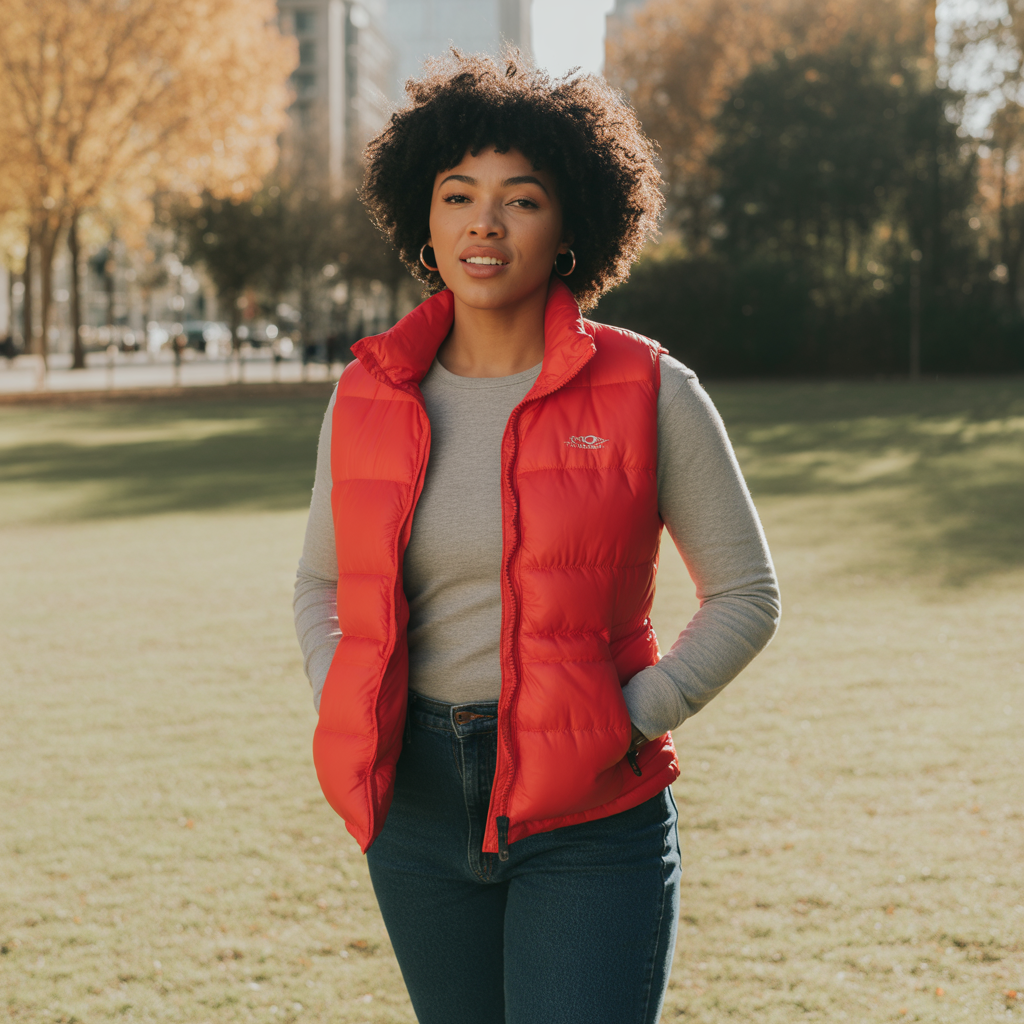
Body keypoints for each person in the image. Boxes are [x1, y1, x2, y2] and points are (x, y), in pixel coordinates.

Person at [294, 50, 780, 1024]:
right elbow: (319, 585)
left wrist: (630, 715)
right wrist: (347, 690)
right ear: (423, 222)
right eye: (457, 194)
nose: (484, 221)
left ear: (567, 228)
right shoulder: (368, 393)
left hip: (591, 820)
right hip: (417, 811)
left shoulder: (651, 389)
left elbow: (746, 595)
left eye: (520, 198)